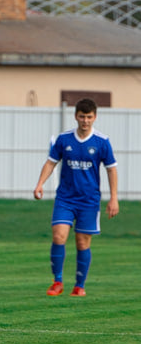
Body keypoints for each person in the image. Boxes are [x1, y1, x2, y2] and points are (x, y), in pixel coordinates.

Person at [33, 98, 119, 297]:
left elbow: (111, 170)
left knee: (82, 242)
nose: (85, 121)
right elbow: (50, 163)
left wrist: (114, 198)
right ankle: (57, 281)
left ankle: (79, 285)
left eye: (89, 117)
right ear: (76, 116)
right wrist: (40, 184)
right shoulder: (64, 140)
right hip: (65, 198)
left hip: (89, 200)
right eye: (82, 116)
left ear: (95, 117)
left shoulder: (102, 142)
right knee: (58, 236)